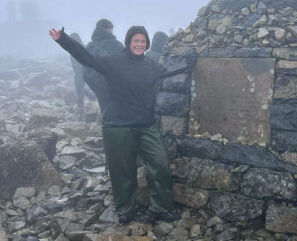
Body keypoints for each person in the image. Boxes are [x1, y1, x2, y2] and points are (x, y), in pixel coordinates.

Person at [49, 25, 195, 224]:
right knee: (122, 171)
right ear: (129, 42)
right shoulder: (114, 62)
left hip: (146, 124)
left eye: (142, 41)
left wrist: (192, 62)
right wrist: (63, 40)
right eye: (136, 41)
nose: (139, 44)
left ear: (147, 44)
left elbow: (170, 71)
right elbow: (87, 58)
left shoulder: (151, 65)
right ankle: (125, 209)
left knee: (160, 164)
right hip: (117, 126)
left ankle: (160, 208)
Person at [82, 19, 124, 114]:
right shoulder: (116, 45)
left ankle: (107, 126)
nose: (112, 32)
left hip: (97, 86)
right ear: (107, 29)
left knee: (105, 110)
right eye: (111, 29)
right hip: (114, 87)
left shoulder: (90, 46)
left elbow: (84, 67)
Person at [68, 33, 96, 117]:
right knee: (79, 88)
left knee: (78, 88)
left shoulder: (81, 47)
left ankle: (81, 108)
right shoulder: (73, 48)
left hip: (82, 70)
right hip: (79, 71)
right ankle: (93, 97)